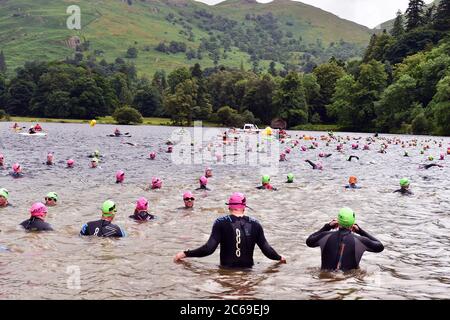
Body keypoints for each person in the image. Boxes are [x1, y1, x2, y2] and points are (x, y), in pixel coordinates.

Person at [173, 192, 286, 268]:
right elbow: (267, 250)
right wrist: (279, 258)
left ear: (229, 206)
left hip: (226, 274)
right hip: (248, 275)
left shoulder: (220, 222)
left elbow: (208, 249)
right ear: (244, 206)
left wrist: (185, 254)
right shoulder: (255, 224)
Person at [306, 207, 384, 271]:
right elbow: (380, 246)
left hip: (325, 283)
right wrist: (360, 231)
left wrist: (327, 227)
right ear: (353, 222)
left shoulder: (324, 236)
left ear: (337, 221)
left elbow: (309, 241)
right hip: (347, 283)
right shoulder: (361, 241)